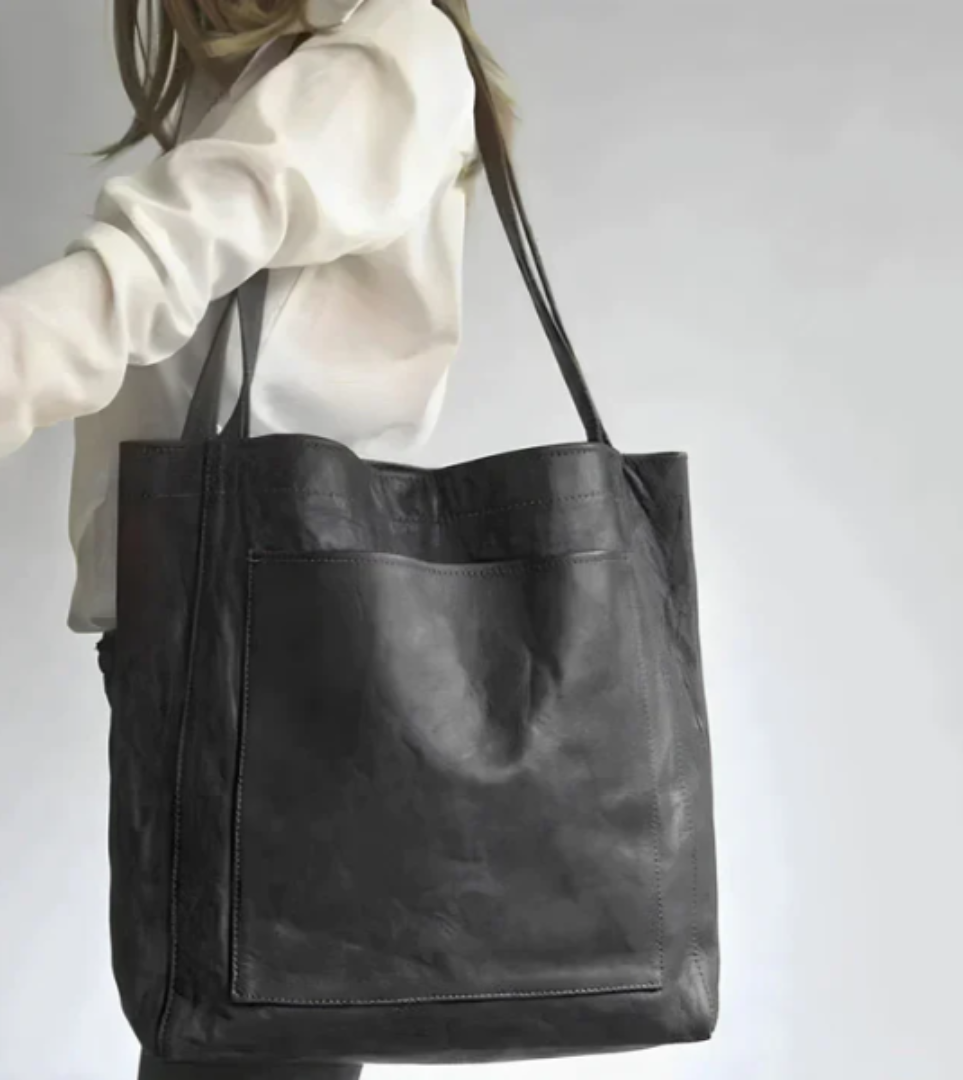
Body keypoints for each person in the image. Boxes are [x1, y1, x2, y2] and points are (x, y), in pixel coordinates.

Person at [0, 0, 509, 1076]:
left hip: (273, 637)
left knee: (245, 1030)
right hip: (211, 625)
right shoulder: (285, 57)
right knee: (224, 1027)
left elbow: (159, 257)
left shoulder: (388, 45)